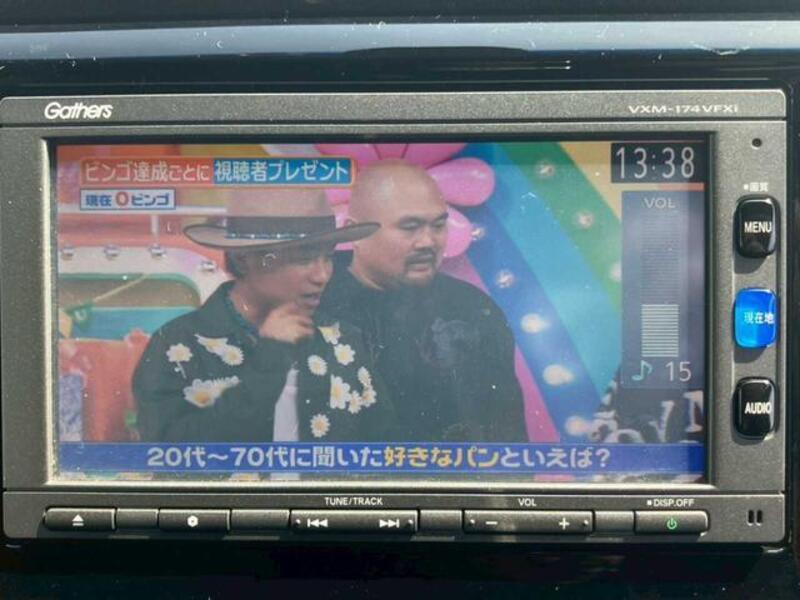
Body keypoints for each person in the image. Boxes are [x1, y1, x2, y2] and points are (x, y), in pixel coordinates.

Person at [133, 188, 393, 443]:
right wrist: (270, 360)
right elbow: (165, 454)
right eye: (304, 259)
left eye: (328, 257)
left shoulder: (343, 341)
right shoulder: (178, 345)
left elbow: (386, 449)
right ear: (243, 258)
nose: (322, 275)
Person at [320, 159, 527, 442]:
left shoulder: (474, 309)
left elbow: (507, 441)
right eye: (410, 227)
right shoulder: (302, 300)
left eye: (438, 225)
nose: (428, 242)